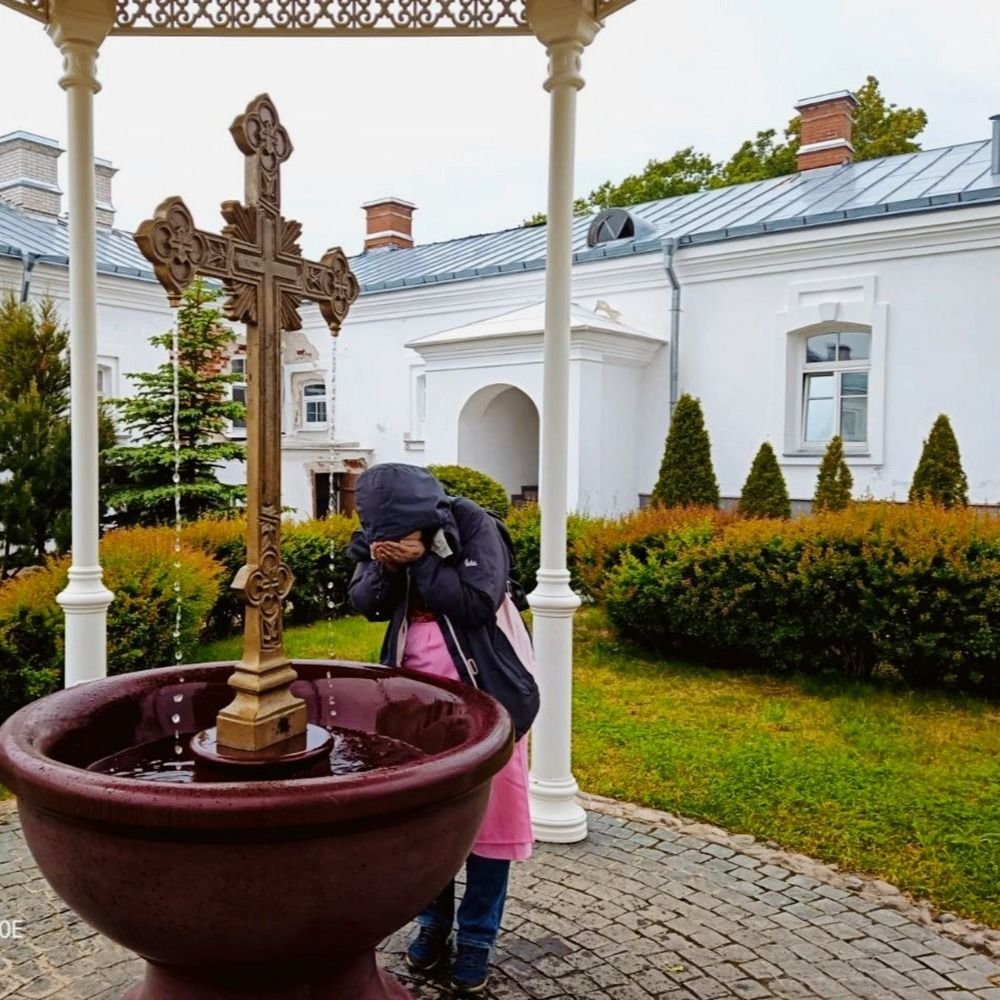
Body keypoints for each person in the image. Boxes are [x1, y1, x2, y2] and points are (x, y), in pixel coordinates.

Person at [348, 463, 535, 995]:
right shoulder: (379, 533)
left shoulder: (473, 523)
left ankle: (478, 935)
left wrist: (424, 560)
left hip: (487, 685)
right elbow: (366, 605)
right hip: (415, 693)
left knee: (491, 814)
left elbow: (477, 602)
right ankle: (433, 921)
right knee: (427, 817)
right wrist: (384, 567)